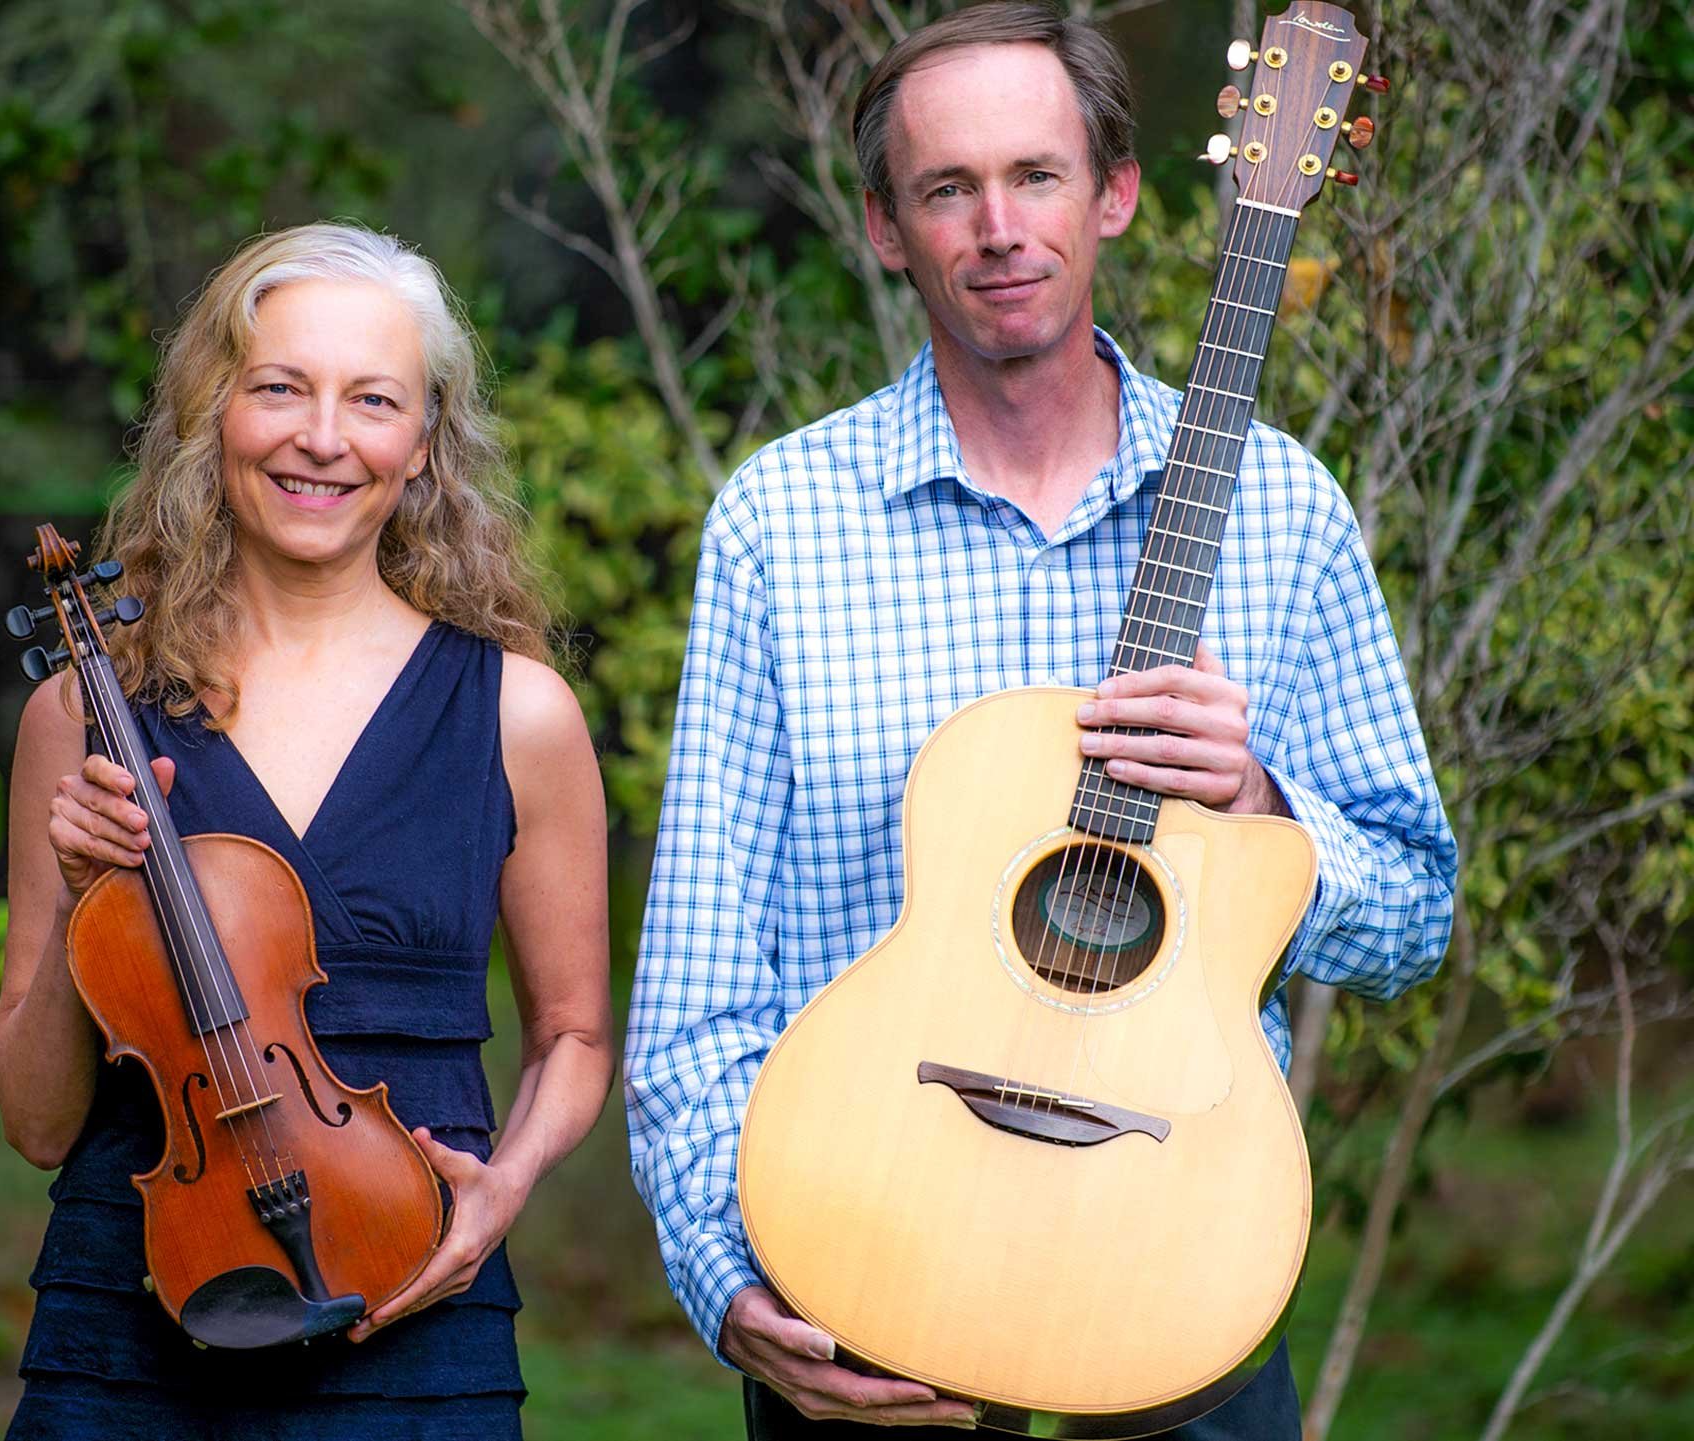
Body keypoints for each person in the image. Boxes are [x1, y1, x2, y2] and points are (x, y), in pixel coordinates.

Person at [624, 5, 1457, 1437]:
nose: (1000, 227)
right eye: (949, 189)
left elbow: (1415, 915)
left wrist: (1260, 810)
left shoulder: (1283, 511)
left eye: (1038, 176)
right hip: (867, 1289)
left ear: (1118, 193)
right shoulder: (782, 525)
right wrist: (729, 1280)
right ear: (887, 227)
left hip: (1176, 1276)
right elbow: (698, 987)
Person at [0, 222, 612, 1440]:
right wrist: (80, 895)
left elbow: (577, 1031)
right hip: (140, 1313)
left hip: (420, 1304)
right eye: (280, 387)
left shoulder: (519, 712)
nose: (323, 437)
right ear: (216, 410)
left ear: (422, 443)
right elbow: (36, 1120)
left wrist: (507, 1188)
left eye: (371, 400)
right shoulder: (84, 710)